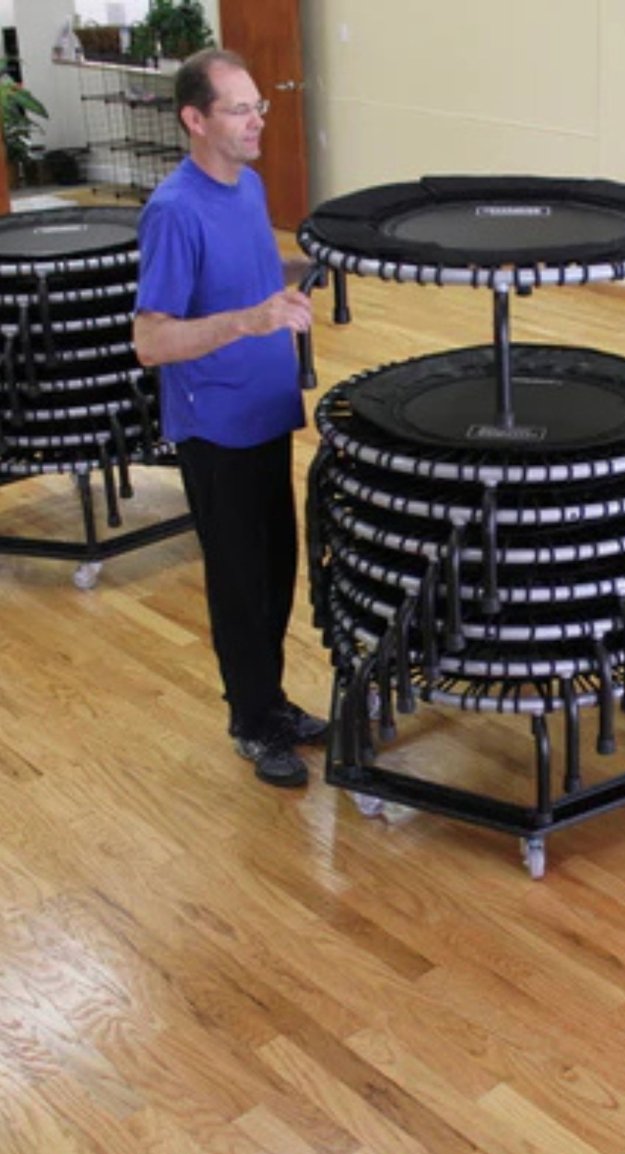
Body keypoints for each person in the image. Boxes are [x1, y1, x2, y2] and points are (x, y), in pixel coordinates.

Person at [134, 48, 326, 788]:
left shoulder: (246, 188)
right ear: (195, 118)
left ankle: (271, 703)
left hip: (267, 411)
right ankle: (250, 723)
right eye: (240, 109)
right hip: (214, 426)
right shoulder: (173, 212)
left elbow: (252, 281)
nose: (258, 121)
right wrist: (251, 320)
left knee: (276, 569)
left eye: (259, 106)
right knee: (241, 581)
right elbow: (151, 340)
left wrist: (308, 274)